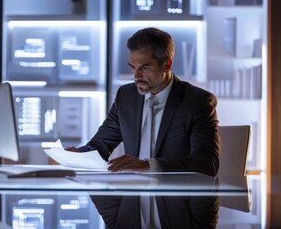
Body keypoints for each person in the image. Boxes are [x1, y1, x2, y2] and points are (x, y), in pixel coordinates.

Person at [65, 27, 221, 228]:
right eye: (132, 67)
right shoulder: (126, 96)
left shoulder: (198, 102)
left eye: (145, 67)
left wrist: (148, 165)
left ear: (167, 64)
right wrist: (79, 154)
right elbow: (101, 144)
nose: (136, 75)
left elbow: (207, 164)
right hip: (133, 200)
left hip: (180, 206)